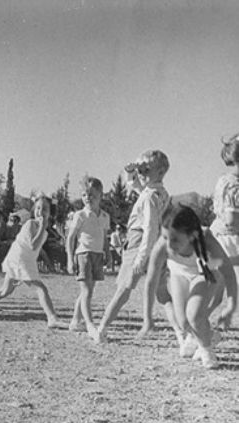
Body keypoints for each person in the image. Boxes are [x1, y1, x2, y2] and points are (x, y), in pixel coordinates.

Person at [95, 150, 175, 342]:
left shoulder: (149, 197)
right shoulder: (160, 193)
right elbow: (136, 186)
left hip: (140, 243)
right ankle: (183, 333)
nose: (141, 173)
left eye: (146, 169)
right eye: (140, 169)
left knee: (123, 289)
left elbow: (150, 228)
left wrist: (141, 257)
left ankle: (102, 328)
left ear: (160, 172)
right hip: (155, 246)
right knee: (163, 294)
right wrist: (130, 173)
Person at [143, 205, 236, 369]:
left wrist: (230, 305)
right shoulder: (163, 245)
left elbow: (228, 272)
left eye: (175, 239)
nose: (169, 244)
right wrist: (147, 318)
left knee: (194, 315)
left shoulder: (207, 239)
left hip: (206, 272)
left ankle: (206, 349)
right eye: (165, 237)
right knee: (184, 322)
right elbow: (151, 281)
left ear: (192, 236)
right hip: (180, 273)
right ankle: (210, 335)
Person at [0, 195, 69, 328]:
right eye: (38, 208)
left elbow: (36, 249)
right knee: (40, 288)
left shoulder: (43, 229)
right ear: (33, 210)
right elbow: (33, 245)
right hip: (20, 259)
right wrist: (43, 227)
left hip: (24, 259)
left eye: (44, 209)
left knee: (6, 290)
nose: (40, 212)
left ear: (50, 213)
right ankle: (52, 318)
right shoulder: (31, 224)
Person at [66, 176, 110, 342]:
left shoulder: (105, 216)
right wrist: (70, 259)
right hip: (83, 254)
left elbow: (104, 237)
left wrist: (108, 254)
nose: (88, 198)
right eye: (84, 195)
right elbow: (70, 238)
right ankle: (90, 325)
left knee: (88, 290)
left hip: (97, 255)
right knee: (86, 291)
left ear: (100, 195)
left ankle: (75, 321)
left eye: (92, 194)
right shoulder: (80, 215)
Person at [210, 133, 239, 305]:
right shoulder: (235, 186)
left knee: (216, 291)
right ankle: (194, 323)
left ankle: (197, 324)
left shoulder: (224, 180)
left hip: (218, 237)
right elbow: (231, 219)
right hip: (230, 239)